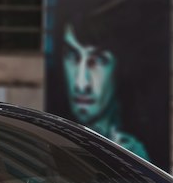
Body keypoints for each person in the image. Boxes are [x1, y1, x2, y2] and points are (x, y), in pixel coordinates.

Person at [61, 20, 150, 160]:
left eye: (97, 61)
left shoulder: (136, 150)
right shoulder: (51, 137)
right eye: (73, 57)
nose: (81, 84)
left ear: (121, 68)